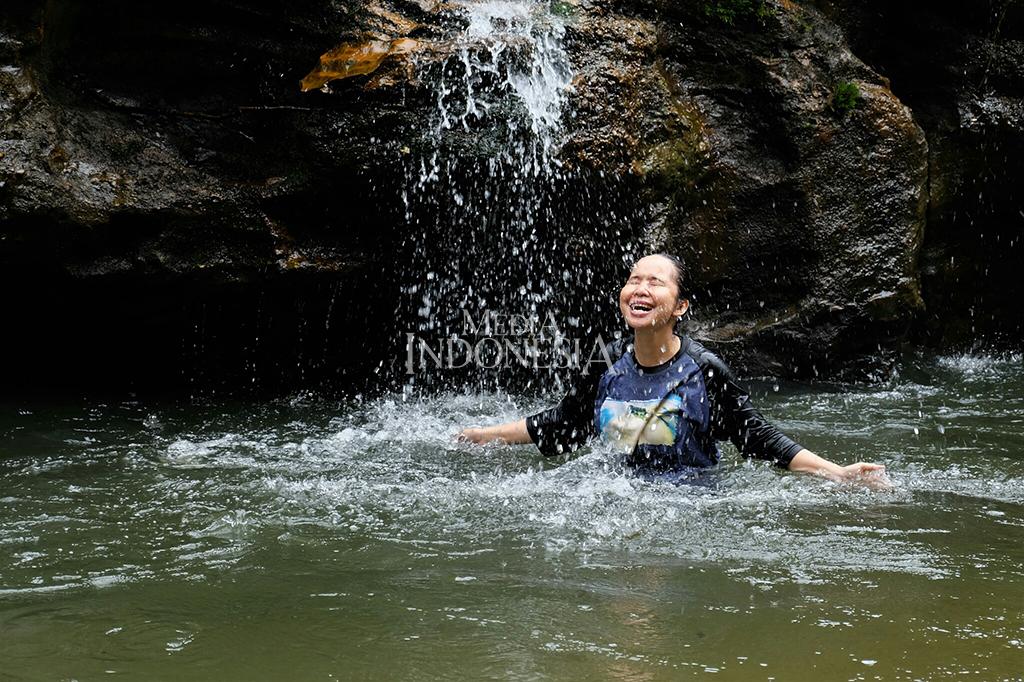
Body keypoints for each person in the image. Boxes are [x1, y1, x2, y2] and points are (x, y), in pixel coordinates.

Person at [458, 254, 891, 488]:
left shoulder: (703, 371)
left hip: (687, 509)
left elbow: (759, 437)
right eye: (633, 280)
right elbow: (563, 422)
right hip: (610, 500)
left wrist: (837, 474)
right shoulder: (606, 359)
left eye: (655, 282)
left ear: (681, 306)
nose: (640, 289)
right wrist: (484, 435)